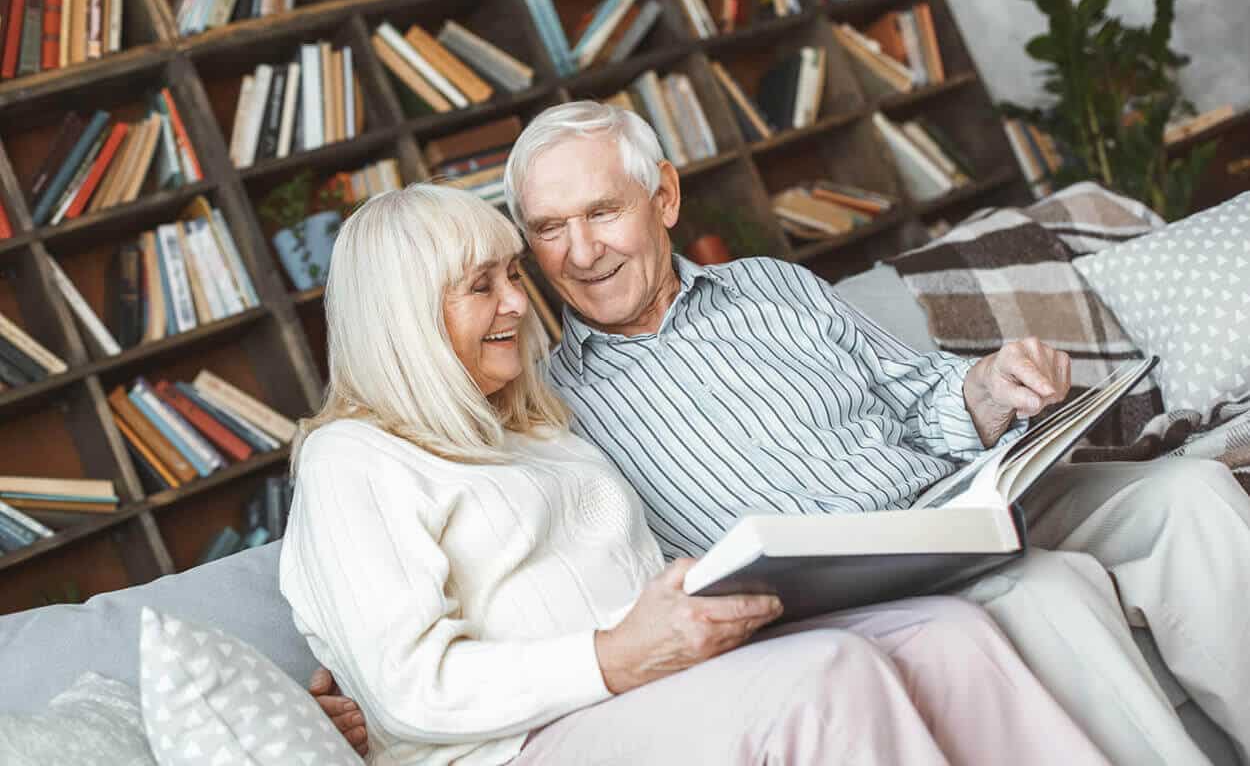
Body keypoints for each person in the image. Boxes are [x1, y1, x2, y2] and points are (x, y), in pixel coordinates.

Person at [483, 100, 1247, 766]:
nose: (580, 254)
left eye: (601, 213)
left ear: (664, 197)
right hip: (841, 589)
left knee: (1189, 493)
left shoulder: (770, 284)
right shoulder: (555, 409)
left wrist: (988, 384)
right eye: (550, 229)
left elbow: (918, 395)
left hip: (958, 500)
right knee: (1049, 591)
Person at [279, 183, 1107, 766]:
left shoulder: (532, 427)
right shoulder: (354, 458)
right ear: (405, 318)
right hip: (528, 740)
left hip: (662, 683)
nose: (517, 305)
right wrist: (612, 656)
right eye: (479, 287)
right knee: (827, 677)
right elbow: (406, 688)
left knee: (947, 634)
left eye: (510, 276)